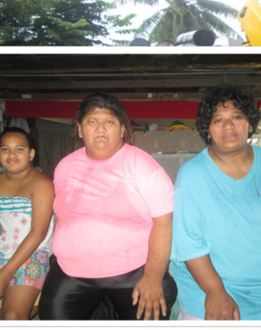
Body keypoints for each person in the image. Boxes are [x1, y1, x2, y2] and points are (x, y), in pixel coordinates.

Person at [170, 84, 261, 320]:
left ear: (249, 124)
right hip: (217, 287)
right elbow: (189, 243)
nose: (228, 126)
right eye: (218, 120)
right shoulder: (192, 174)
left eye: (236, 116)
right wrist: (215, 291)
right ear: (207, 130)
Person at [38, 93, 176, 320]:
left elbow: (164, 222)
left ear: (122, 129)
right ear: (80, 129)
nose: (100, 128)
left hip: (134, 273)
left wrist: (153, 277)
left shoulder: (141, 165)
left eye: (109, 122)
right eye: (92, 121)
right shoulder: (65, 166)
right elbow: (62, 215)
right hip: (71, 271)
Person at [0, 127, 55, 320]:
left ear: (31, 154)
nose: (11, 154)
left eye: (19, 149)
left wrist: (6, 272)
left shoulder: (42, 184)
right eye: (5, 149)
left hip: (32, 254)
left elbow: (39, 232)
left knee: (12, 316)